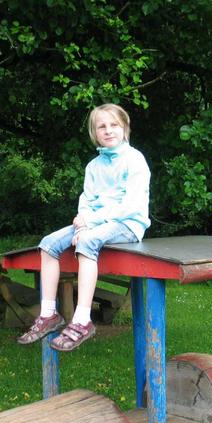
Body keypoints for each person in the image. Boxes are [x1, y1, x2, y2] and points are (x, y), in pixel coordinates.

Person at [17, 103, 151, 351]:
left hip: (127, 223)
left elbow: (131, 205)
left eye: (114, 125)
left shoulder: (134, 160)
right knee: (48, 244)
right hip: (94, 224)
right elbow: (87, 200)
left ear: (125, 128)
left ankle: (82, 320)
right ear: (94, 133)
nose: (108, 130)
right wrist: (82, 224)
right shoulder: (93, 166)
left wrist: (90, 224)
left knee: (88, 242)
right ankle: (48, 314)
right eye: (101, 126)